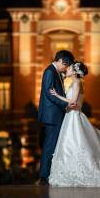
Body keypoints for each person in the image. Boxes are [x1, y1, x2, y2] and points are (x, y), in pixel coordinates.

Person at [37, 50, 78, 185]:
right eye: (65, 66)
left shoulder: (56, 73)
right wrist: (66, 103)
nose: (65, 69)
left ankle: (48, 174)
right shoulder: (49, 72)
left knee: (53, 145)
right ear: (60, 61)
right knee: (50, 145)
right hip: (52, 115)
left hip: (55, 114)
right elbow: (49, 93)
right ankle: (44, 176)